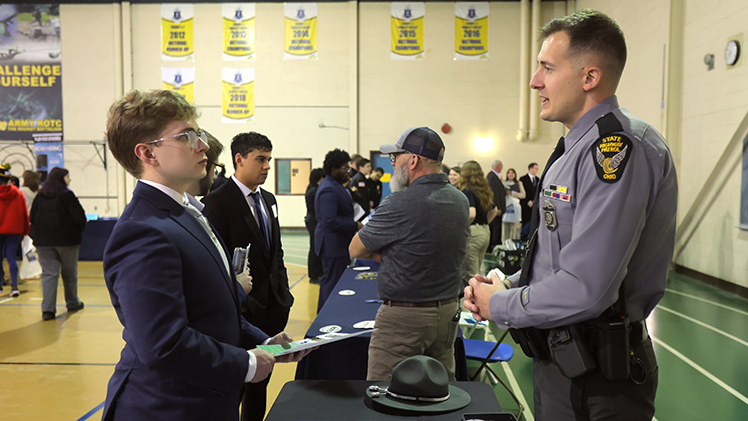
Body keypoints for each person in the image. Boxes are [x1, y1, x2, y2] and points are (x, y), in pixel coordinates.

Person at [464, 10, 677, 421]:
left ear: (589, 77)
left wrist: (503, 304)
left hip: (597, 377)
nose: (534, 81)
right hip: (562, 361)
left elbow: (588, 287)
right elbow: (557, 254)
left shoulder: (615, 149)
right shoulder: (574, 149)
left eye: (547, 67)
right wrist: (505, 282)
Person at [102, 89, 309, 420]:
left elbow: (212, 309)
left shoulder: (184, 213)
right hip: (168, 407)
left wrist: (265, 342)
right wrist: (248, 362)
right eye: (187, 136)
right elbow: (164, 344)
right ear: (147, 153)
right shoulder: (143, 231)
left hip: (203, 398)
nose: (202, 145)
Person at [349, 127, 469, 381]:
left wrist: (388, 256)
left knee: (384, 392)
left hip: (405, 318)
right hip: (447, 312)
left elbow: (356, 248)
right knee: (439, 390)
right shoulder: (459, 200)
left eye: (395, 158)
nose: (392, 164)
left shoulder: (399, 202)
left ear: (413, 160)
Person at [201, 131, 295, 421]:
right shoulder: (217, 202)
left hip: (273, 308)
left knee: (261, 383)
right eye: (261, 159)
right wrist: (239, 302)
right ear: (239, 160)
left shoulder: (268, 199)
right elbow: (214, 261)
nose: (267, 166)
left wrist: (283, 293)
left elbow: (275, 252)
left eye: (269, 159)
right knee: (237, 384)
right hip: (241, 311)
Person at [28, 167, 86, 317]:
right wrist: (78, 230)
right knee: (69, 273)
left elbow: (32, 218)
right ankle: (72, 303)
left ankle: (48, 310)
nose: (69, 180)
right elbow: (79, 218)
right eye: (68, 177)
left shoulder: (40, 196)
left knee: (49, 274)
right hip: (67, 241)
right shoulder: (67, 195)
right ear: (61, 179)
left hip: (43, 242)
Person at [315, 148, 360, 312]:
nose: (348, 171)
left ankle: (327, 314)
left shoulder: (336, 185)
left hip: (338, 244)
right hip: (332, 245)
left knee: (333, 281)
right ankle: (326, 319)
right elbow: (329, 220)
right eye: (344, 168)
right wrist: (355, 225)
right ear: (333, 169)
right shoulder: (329, 189)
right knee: (332, 283)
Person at [457, 160, 498, 286]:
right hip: (485, 231)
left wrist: (463, 227)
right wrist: (484, 223)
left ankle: (473, 304)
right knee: (478, 271)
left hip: (473, 233)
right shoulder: (483, 190)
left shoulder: (467, 190)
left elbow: (472, 214)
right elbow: (494, 210)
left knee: (470, 275)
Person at [0, 163, 29, 297]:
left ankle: (0, 284)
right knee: (12, 259)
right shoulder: (18, 193)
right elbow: (24, 214)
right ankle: (14, 287)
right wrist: (25, 232)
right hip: (14, 231)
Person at [305, 168, 325, 284]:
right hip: (314, 221)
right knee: (314, 248)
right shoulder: (314, 191)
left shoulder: (312, 189)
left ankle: (316, 273)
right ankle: (313, 275)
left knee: (315, 247)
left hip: (312, 220)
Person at [486, 160, 506, 249]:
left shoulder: (495, 177)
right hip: (495, 208)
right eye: (501, 166)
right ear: (497, 166)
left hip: (498, 208)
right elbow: (493, 194)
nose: (502, 168)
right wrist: (496, 207)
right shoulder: (492, 177)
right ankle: (493, 246)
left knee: (497, 228)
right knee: (495, 228)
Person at [503, 168, 526, 241]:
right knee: (505, 229)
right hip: (506, 207)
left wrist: (513, 193)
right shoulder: (504, 183)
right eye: (509, 173)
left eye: (512, 173)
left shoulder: (519, 183)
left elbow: (523, 195)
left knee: (515, 229)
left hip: (515, 207)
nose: (510, 174)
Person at [518, 162, 539, 241]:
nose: (537, 170)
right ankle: (523, 237)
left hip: (534, 205)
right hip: (525, 205)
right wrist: (527, 201)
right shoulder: (523, 179)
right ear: (531, 169)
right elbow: (522, 193)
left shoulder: (537, 180)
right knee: (525, 221)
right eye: (535, 168)